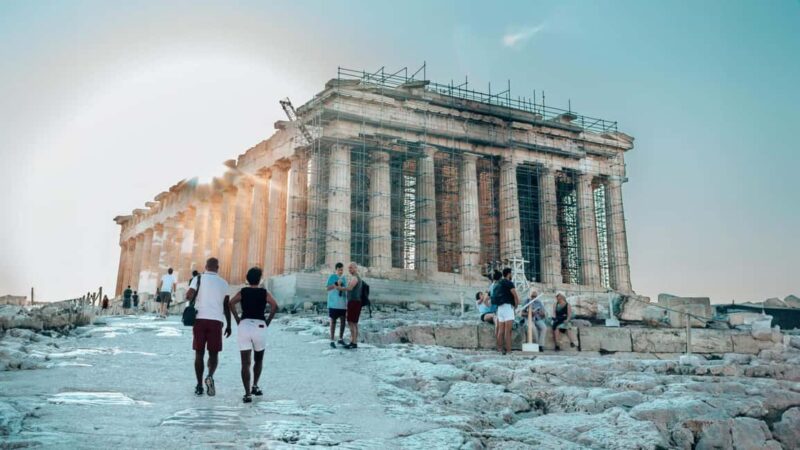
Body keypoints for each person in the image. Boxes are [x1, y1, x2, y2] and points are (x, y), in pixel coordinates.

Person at [229, 267, 278, 403]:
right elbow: (274, 305)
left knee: (245, 362)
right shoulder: (264, 292)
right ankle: (255, 385)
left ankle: (247, 394)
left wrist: (237, 319)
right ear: (260, 279)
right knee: (259, 359)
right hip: (260, 326)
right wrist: (267, 321)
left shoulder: (243, 291)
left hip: (244, 325)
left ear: (247, 279)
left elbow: (231, 303)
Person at [185, 257, 232, 397]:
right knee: (214, 353)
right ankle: (210, 375)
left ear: (206, 266)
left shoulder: (198, 279)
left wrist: (190, 296)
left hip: (200, 319)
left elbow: (189, 296)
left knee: (199, 353)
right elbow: (226, 305)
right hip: (216, 321)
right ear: (218, 268)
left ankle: (199, 385)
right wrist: (229, 325)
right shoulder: (224, 283)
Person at [491, 268, 519, 355]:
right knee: (508, 331)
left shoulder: (498, 283)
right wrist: (516, 305)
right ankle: (509, 351)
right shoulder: (509, 283)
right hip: (507, 308)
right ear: (509, 274)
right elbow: (515, 295)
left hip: (500, 309)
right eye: (511, 274)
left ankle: (499, 349)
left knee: (501, 330)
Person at [338, 262, 363, 349]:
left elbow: (350, 288)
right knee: (354, 323)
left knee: (351, 322)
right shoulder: (356, 278)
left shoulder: (355, 278)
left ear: (356, 268)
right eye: (349, 268)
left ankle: (353, 342)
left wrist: (340, 288)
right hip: (355, 302)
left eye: (351, 268)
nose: (349, 270)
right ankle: (354, 342)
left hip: (354, 302)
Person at [326, 262, 347, 348]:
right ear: (336, 270)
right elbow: (327, 288)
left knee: (343, 321)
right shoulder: (332, 277)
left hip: (342, 303)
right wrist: (336, 284)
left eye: (342, 270)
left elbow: (345, 289)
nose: (340, 271)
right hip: (333, 303)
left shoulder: (344, 278)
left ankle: (340, 339)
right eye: (339, 270)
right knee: (333, 321)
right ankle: (332, 340)